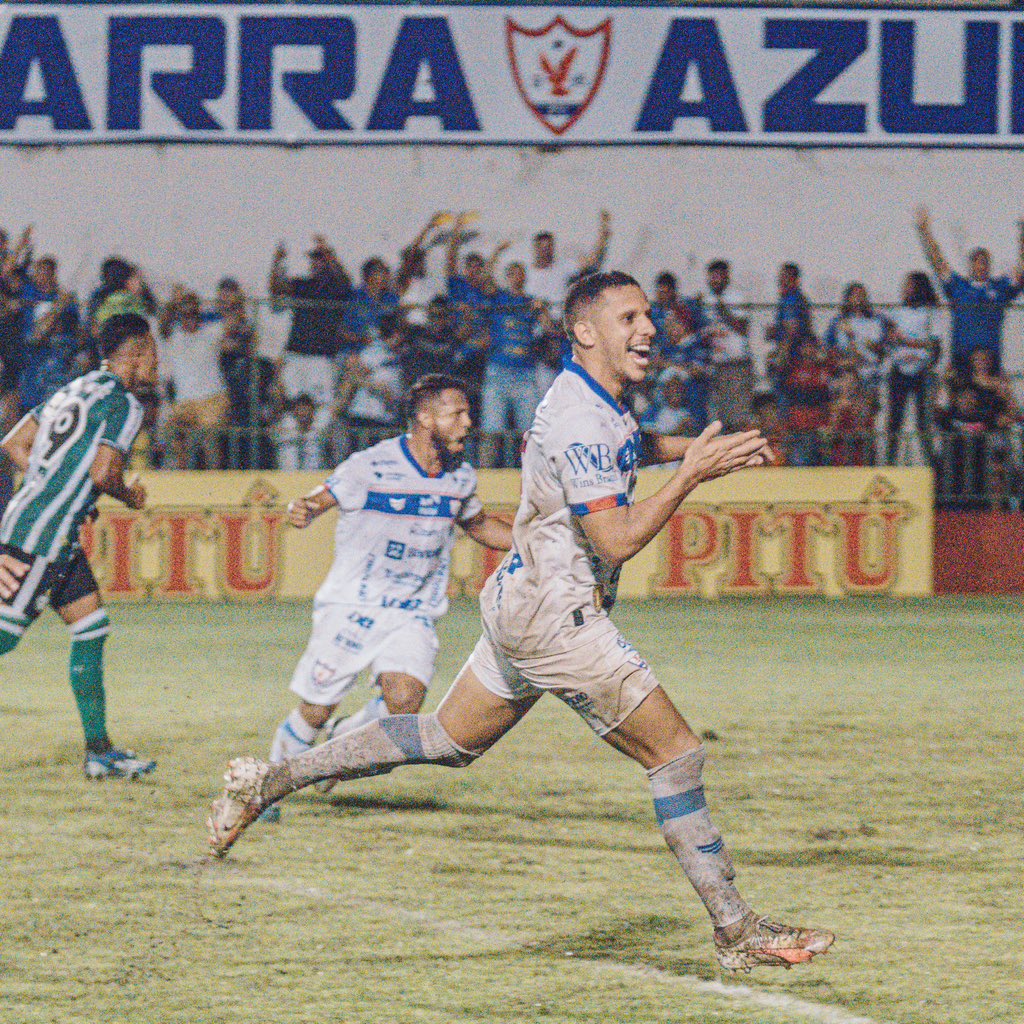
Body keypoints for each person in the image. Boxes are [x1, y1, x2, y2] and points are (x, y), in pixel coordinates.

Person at [208, 272, 834, 974]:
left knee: (444, 738)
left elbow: (628, 444)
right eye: (629, 317)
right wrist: (692, 476)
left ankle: (269, 781)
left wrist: (694, 450)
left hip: (521, 599)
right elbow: (618, 539)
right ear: (586, 331)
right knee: (676, 754)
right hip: (556, 620)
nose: (649, 329)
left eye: (649, 316)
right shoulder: (579, 417)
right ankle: (736, 928)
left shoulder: (594, 399)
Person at [256, 374, 512, 822]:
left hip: (413, 612)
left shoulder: (460, 478)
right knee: (315, 709)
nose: (468, 423)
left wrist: (531, 542)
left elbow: (478, 527)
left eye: (468, 413)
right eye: (458, 414)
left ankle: (340, 746)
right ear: (425, 418)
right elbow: (323, 496)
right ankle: (265, 790)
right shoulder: (371, 465)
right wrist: (306, 507)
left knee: (405, 704)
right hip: (354, 605)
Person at [0, 313, 157, 778]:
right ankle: (99, 752)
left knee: (91, 627)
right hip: (39, 538)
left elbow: (14, 443)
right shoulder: (126, 405)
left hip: (54, 533)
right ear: (137, 351)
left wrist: (53, 484)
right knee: (3, 640)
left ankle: (99, 752)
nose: (155, 363)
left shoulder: (74, 387)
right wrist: (131, 496)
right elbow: (103, 474)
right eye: (152, 352)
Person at [915, 207, 1024, 373]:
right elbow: (938, 262)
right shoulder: (959, 286)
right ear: (971, 265)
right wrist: (925, 231)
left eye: (984, 262)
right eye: (977, 262)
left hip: (990, 360)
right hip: (961, 359)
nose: (981, 266)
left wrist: (1022, 236)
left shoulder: (1000, 287)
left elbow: (1021, 270)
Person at [886, 271, 940, 465]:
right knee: (894, 420)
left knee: (923, 422)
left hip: (921, 371)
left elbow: (934, 345)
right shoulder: (897, 312)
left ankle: (930, 466)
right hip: (899, 370)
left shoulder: (930, 312)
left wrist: (913, 349)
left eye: (909, 285)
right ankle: (890, 463)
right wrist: (900, 350)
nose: (905, 289)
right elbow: (891, 342)